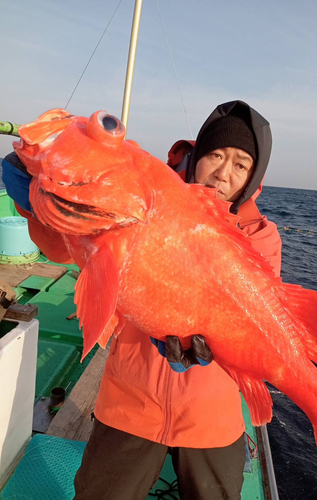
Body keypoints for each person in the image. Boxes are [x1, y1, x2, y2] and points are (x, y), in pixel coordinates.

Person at [2, 100, 282, 500]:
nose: (223, 173)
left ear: (254, 176)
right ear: (198, 154)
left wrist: (215, 344)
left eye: (240, 164)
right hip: (131, 402)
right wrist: (36, 210)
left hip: (212, 416)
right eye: (216, 155)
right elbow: (67, 250)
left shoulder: (261, 238)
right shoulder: (142, 197)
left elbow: (256, 314)